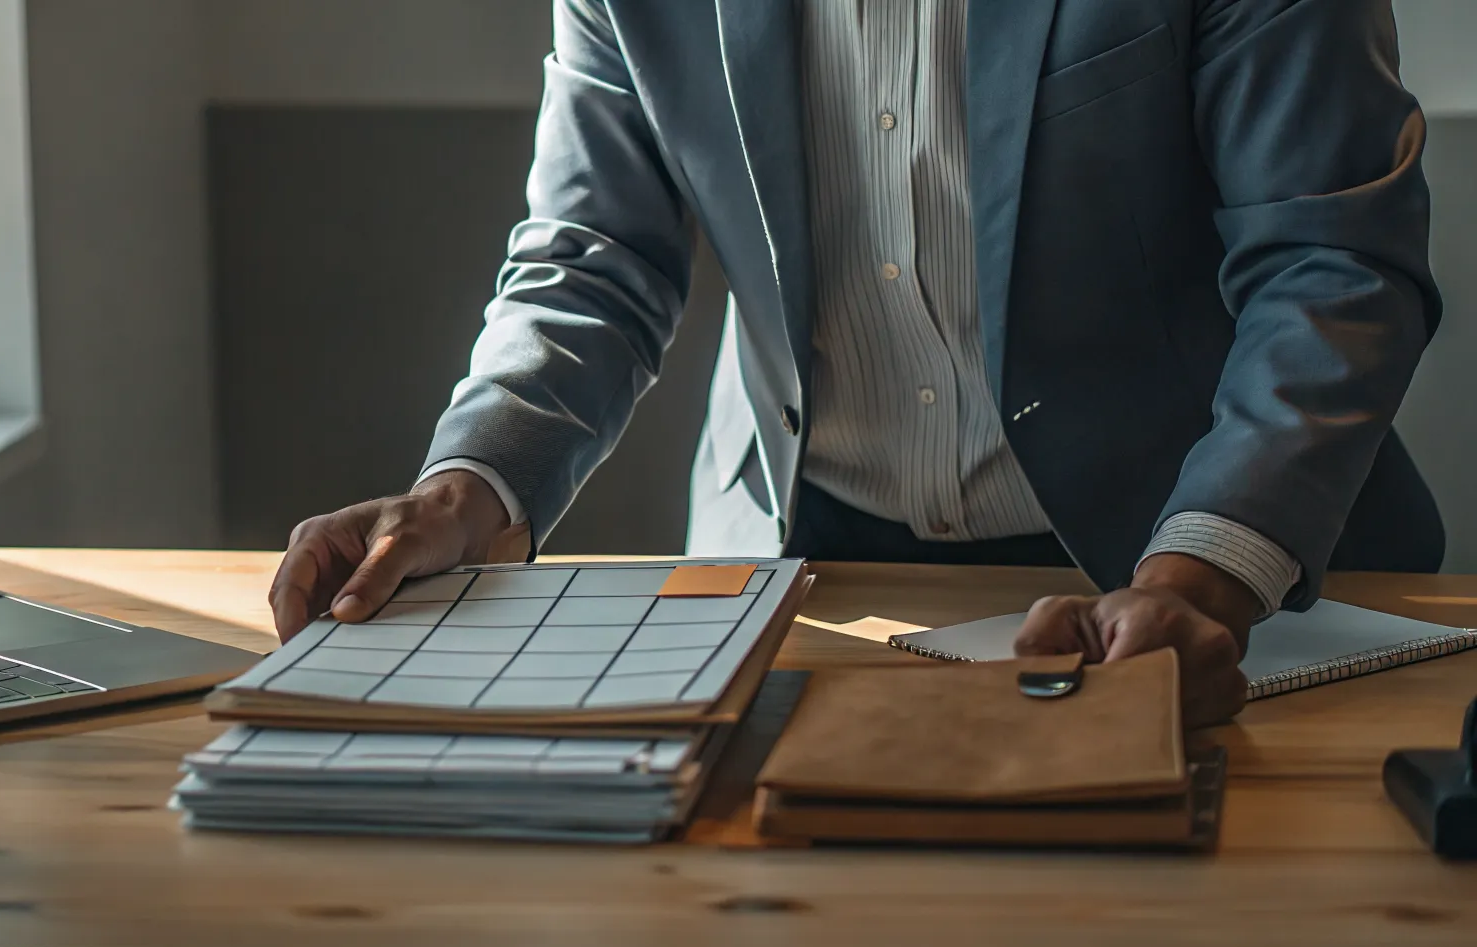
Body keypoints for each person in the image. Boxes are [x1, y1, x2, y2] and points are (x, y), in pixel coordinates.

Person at [268, 0, 1443, 727]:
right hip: (797, 584)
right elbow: (591, 254)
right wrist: (466, 486)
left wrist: (1200, 578)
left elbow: (1328, 264)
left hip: (1186, 580)